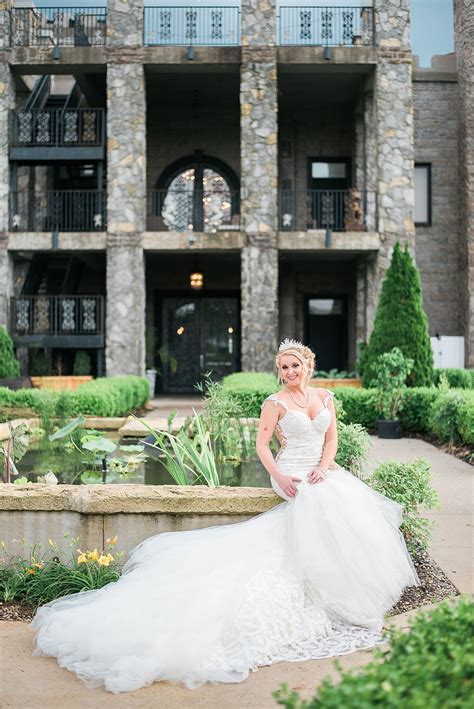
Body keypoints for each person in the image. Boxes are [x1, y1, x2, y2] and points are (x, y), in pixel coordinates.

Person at [31, 340, 419, 693]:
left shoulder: (325, 397)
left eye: (294, 366)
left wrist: (325, 465)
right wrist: (281, 476)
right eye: (283, 368)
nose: (288, 373)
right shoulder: (275, 402)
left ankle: (342, 593)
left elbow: (331, 438)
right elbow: (262, 445)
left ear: (307, 365)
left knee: (343, 503)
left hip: (319, 469)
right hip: (289, 471)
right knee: (315, 507)